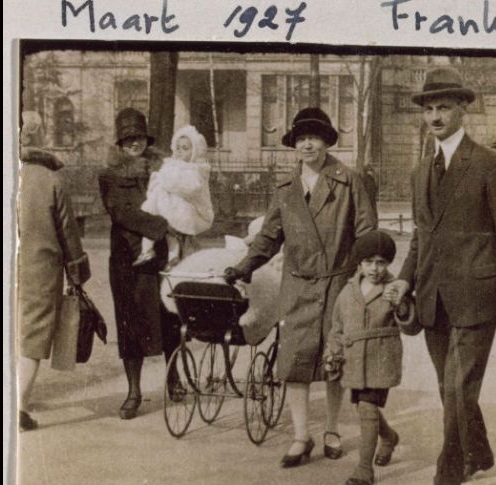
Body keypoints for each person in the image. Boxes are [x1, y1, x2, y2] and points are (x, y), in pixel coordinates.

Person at [383, 67, 496, 485]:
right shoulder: (420, 170)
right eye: (429, 109)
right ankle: (478, 452)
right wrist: (404, 279)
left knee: (458, 388)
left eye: (444, 107)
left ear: (463, 109)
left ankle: (448, 471)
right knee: (453, 389)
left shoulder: (490, 166)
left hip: (475, 298)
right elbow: (421, 237)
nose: (435, 117)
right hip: (432, 298)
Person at [223, 107, 377, 468]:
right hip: (296, 285)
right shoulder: (284, 187)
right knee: (294, 361)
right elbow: (268, 237)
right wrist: (244, 266)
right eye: (301, 138)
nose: (308, 144)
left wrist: (368, 276)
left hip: (337, 283)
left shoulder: (349, 181)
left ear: (326, 142)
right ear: (294, 145)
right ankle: (301, 435)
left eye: (315, 137)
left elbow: (367, 232)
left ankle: (332, 429)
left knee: (334, 359)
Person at [98, 108, 184, 421]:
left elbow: (181, 199)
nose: (135, 143)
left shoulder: (162, 169)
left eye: (139, 137)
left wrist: (178, 226)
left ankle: (174, 379)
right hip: (128, 260)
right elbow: (121, 213)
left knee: (170, 319)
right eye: (129, 138)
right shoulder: (109, 174)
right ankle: (134, 391)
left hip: (162, 257)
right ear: (120, 142)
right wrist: (163, 226)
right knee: (130, 324)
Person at [324, 231, 415, 485]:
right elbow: (337, 327)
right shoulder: (348, 291)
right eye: (369, 262)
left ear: (388, 264)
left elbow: (409, 322)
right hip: (353, 361)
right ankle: (389, 437)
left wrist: (401, 305)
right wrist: (333, 352)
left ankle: (364, 470)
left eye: (381, 262)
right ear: (359, 263)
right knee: (364, 408)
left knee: (366, 408)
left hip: (380, 359)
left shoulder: (393, 288)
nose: (375, 269)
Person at [17, 143, 91, 432]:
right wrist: (78, 272)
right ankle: (18, 409)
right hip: (40, 270)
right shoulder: (51, 180)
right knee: (32, 340)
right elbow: (68, 232)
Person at [134, 125, 214, 268]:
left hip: (185, 210)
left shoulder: (195, 169)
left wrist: (166, 182)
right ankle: (148, 251)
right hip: (165, 206)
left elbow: (192, 187)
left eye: (185, 148)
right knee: (158, 224)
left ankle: (172, 256)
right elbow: (160, 178)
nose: (179, 151)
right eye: (177, 147)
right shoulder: (171, 164)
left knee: (172, 230)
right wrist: (159, 180)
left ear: (194, 151)